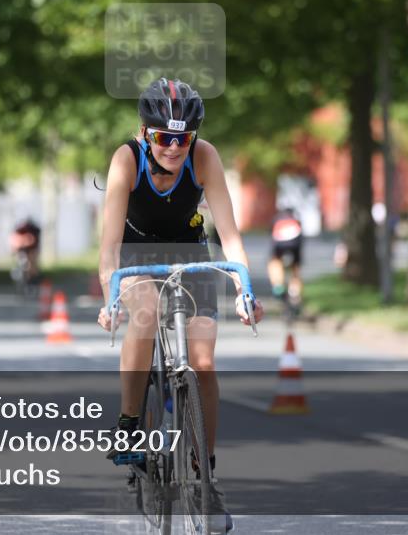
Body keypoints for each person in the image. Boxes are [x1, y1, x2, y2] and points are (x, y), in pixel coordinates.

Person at [96, 77, 265, 527]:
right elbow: (109, 245)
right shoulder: (125, 160)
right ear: (145, 133)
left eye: (182, 138)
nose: (173, 147)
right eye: (163, 138)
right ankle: (131, 422)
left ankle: (202, 474)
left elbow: (229, 234)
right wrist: (110, 292)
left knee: (204, 362)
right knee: (147, 314)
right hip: (135, 257)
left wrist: (244, 288)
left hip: (191, 254)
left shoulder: (205, 157)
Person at [268, 206, 304, 309]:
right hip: (295, 242)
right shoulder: (296, 219)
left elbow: (271, 233)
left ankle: (278, 287)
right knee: (295, 267)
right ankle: (295, 293)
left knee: (274, 261)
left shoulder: (277, 218)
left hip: (279, 243)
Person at [9, 217, 41, 282]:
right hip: (22, 248)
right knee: (24, 260)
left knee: (31, 262)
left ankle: (32, 275)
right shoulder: (20, 232)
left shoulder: (31, 232)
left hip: (30, 248)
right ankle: (27, 274)